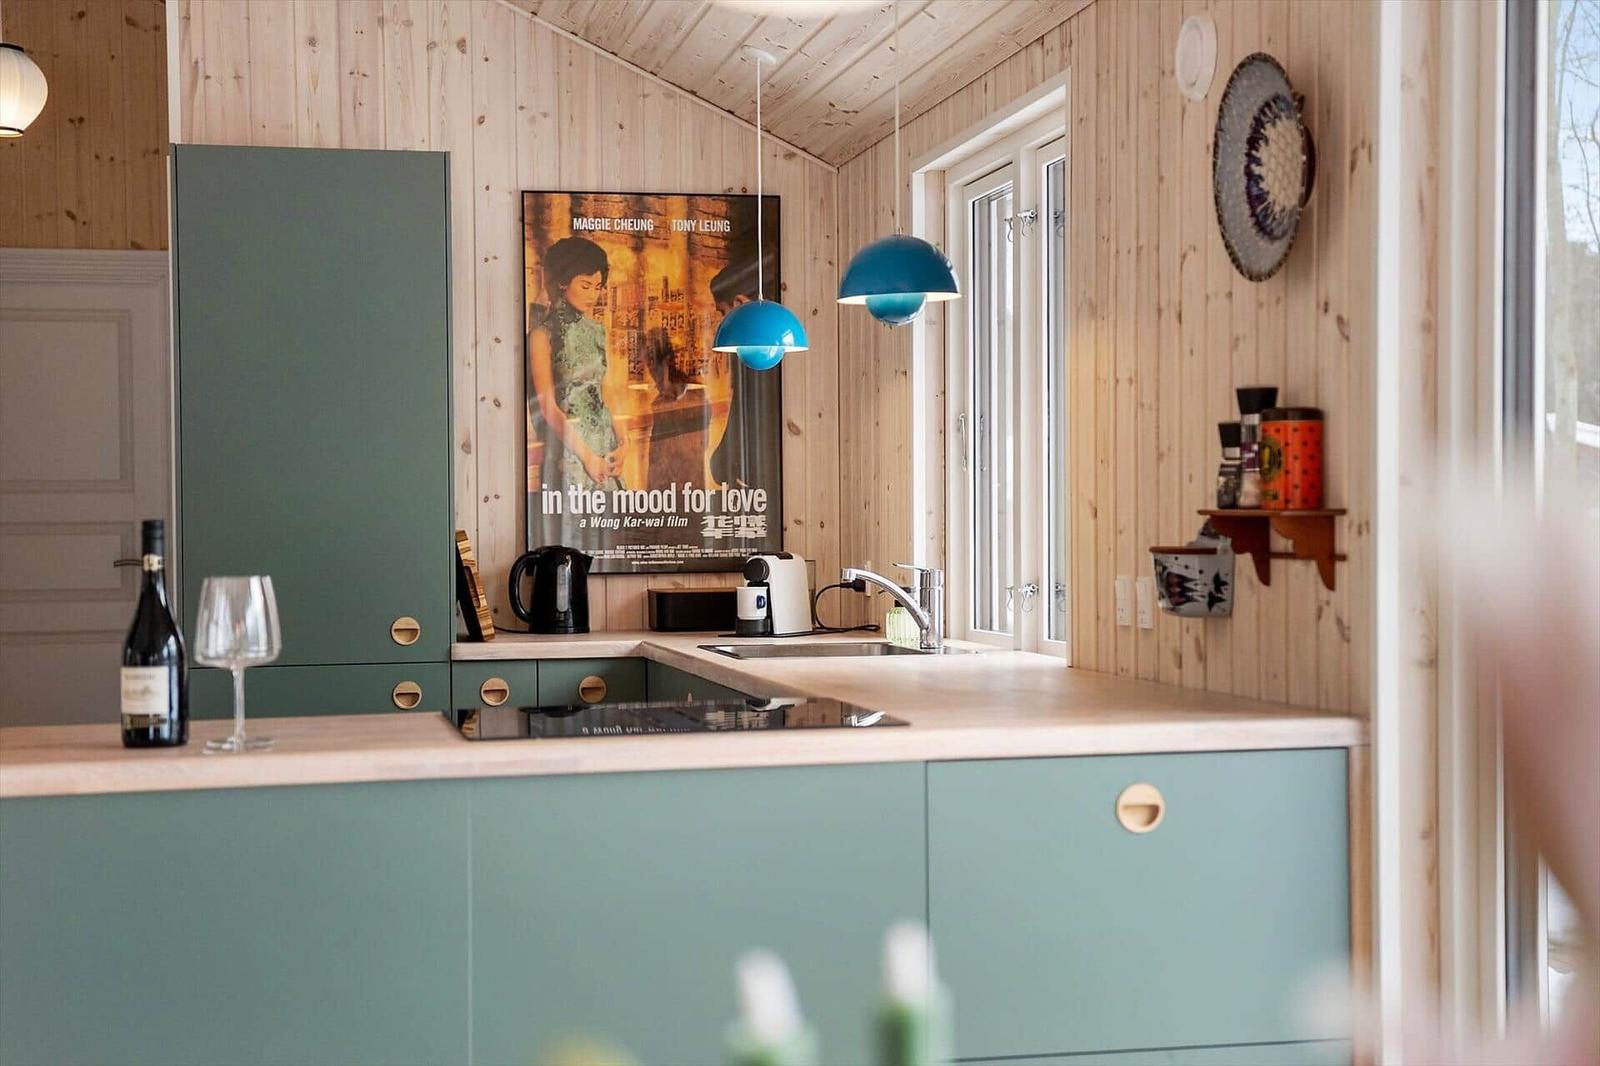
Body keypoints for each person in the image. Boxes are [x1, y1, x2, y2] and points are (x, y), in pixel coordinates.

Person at [527, 236, 624, 491]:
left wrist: (624, 444)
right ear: (562, 281)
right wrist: (587, 457)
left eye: (598, 286)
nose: (594, 294)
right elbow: (547, 407)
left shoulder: (597, 331)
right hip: (571, 452)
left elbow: (606, 395)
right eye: (585, 285)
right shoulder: (541, 335)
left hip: (606, 450)